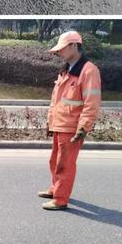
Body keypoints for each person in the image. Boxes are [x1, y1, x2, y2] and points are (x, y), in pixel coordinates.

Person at [38, 31, 101, 211]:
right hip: (60, 124)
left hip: (72, 128)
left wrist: (83, 128)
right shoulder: (67, 69)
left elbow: (92, 102)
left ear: (74, 46)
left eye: (62, 49)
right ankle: (55, 189)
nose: (59, 53)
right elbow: (56, 100)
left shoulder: (89, 70)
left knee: (65, 164)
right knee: (54, 161)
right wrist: (51, 122)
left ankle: (60, 199)